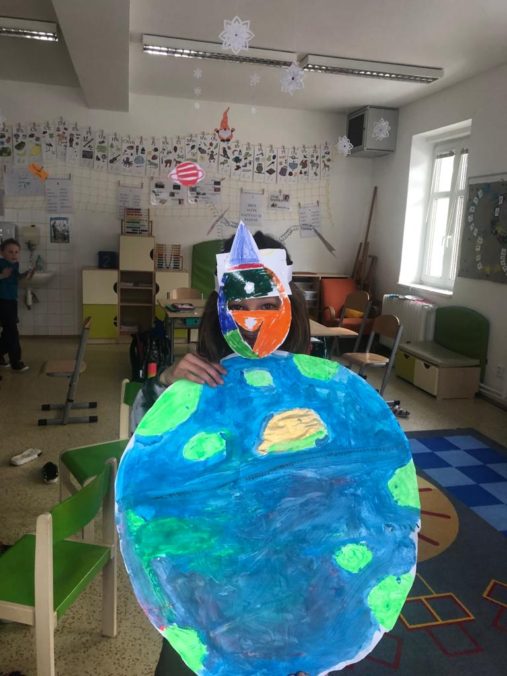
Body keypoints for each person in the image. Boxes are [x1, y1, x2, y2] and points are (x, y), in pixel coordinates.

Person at [152, 229, 310, 675]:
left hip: (289, 566)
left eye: (267, 304)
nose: (252, 320)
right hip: (210, 567)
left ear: (289, 304)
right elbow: (150, 467)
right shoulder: (200, 379)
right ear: (220, 308)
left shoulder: (317, 385)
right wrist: (166, 385)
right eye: (241, 304)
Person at [0, 238, 33, 372]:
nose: (14, 255)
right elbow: (4, 277)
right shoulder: (1, 263)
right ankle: (16, 362)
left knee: (8, 330)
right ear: (2, 252)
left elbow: (15, 278)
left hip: (11, 300)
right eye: (10, 252)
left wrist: (25, 275)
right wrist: (1, 276)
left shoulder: (15, 264)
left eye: (16, 252)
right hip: (2, 301)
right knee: (12, 331)